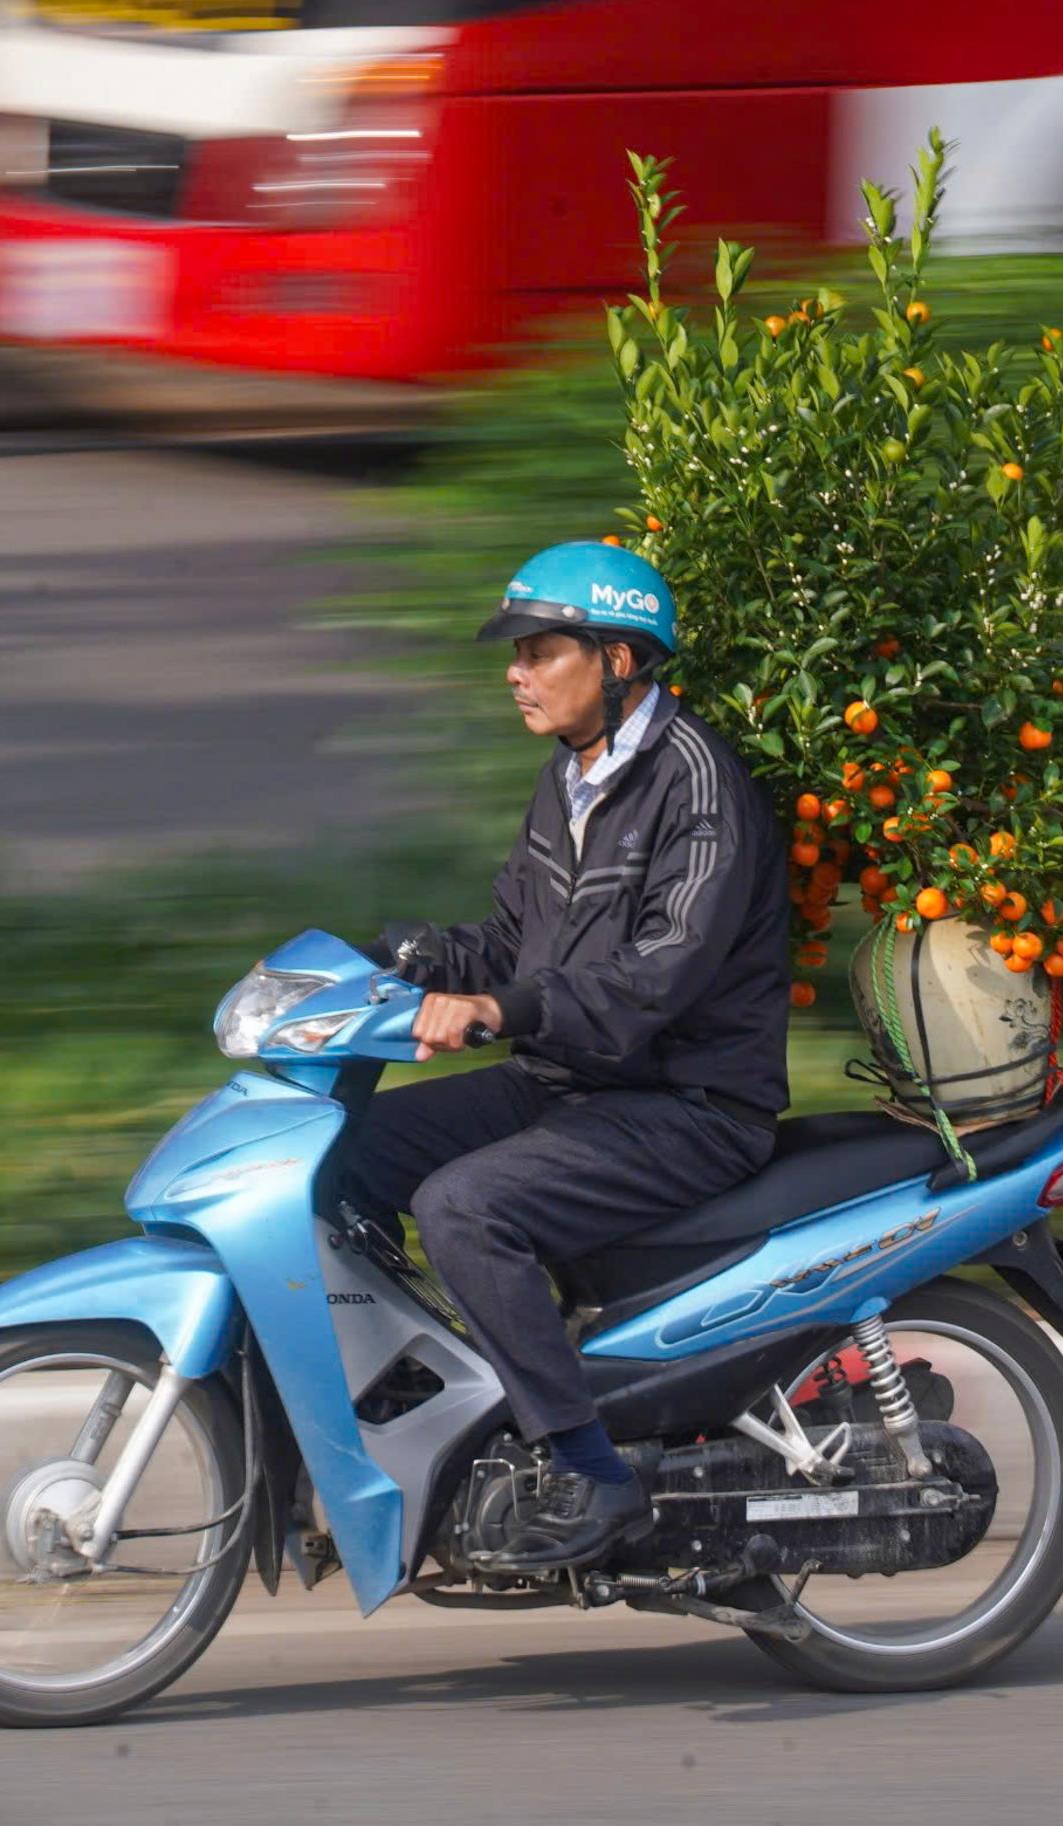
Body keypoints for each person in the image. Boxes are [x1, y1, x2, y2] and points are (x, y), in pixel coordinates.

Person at [340, 540, 791, 1571]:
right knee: (341, 1151)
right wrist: (395, 956)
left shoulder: (699, 787)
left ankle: (593, 1467)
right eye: (516, 651)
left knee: (463, 1206)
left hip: (684, 1105)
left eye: (539, 649)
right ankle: (446, 1405)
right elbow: (510, 939)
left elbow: (651, 984)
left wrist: (494, 1007)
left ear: (619, 659)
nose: (515, 669)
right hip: (571, 1080)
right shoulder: (571, 778)